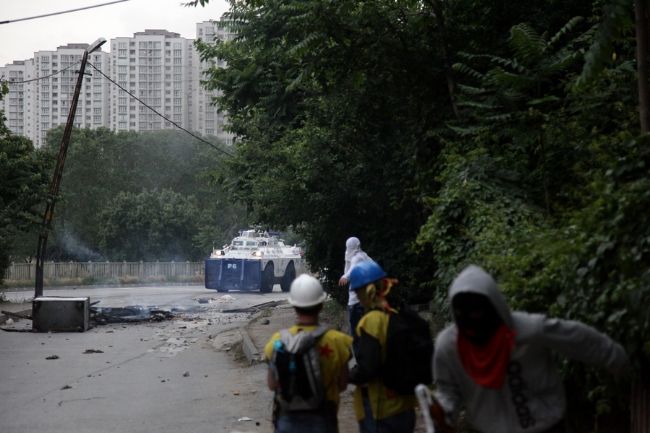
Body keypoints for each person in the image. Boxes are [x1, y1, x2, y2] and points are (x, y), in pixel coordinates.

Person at [432, 264, 629, 433]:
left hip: (547, 427)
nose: (469, 320)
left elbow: (578, 339)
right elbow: (447, 389)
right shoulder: (449, 347)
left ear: (493, 305)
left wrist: (619, 360)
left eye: (476, 311)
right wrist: (444, 412)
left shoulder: (528, 330)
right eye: (460, 312)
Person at [264, 274, 353, 433]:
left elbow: (271, 385)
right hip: (323, 417)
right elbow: (342, 385)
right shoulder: (338, 341)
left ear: (294, 306)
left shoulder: (277, 341)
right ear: (320, 305)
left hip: (287, 418)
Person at [347, 260, 417, 433]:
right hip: (405, 405)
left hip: (382, 408)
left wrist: (348, 376)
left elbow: (368, 368)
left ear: (366, 291)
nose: (358, 297)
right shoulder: (397, 314)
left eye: (358, 291)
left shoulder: (371, 321)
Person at [338, 236, 371, 349]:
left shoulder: (357, 258)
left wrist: (345, 277)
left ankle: (361, 362)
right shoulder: (364, 256)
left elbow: (351, 270)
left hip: (356, 302)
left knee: (356, 335)